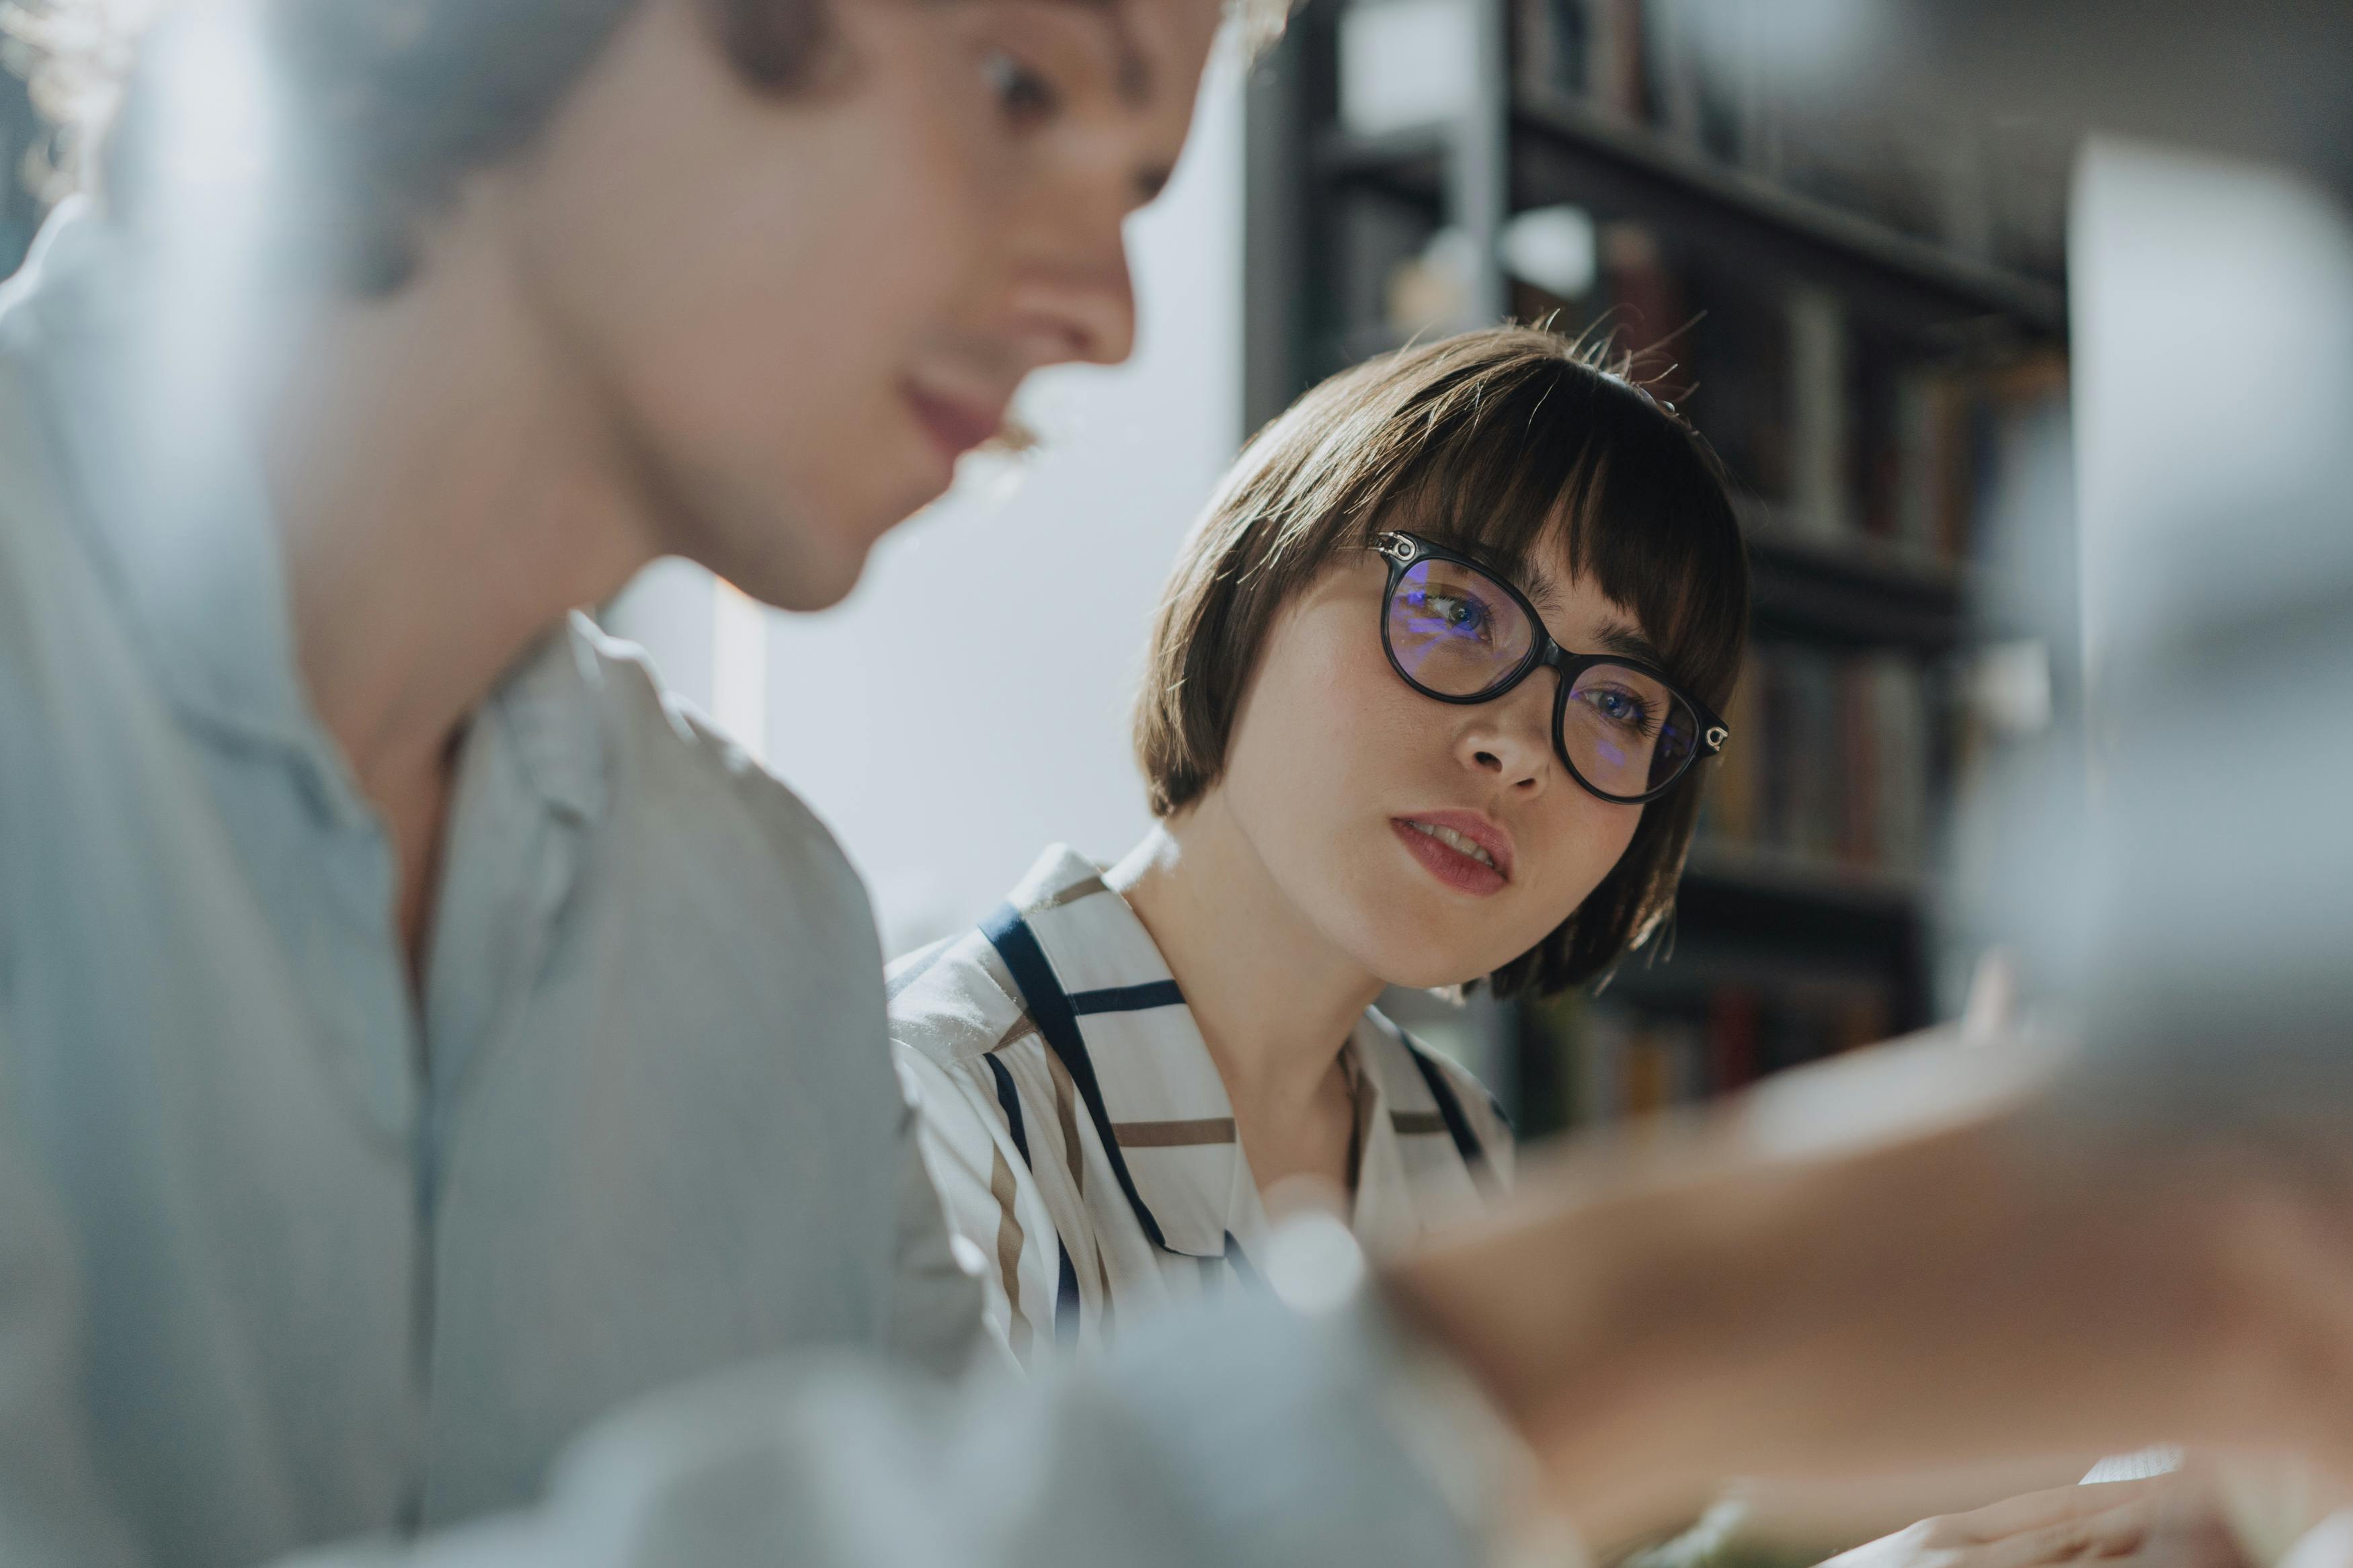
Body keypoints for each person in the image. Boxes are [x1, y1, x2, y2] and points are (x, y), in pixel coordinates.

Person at [4, 1, 2353, 1567]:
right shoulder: (934, 1055)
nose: (1110, 309)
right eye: (1025, 80)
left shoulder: (746, 928)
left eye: (1143, 172)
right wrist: (1620, 1323)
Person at [892, 327, 1741, 1362]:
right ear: (1257, 574)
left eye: (1619, 702)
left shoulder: (1457, 1145)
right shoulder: (930, 1109)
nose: (1520, 747)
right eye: (1455, 608)